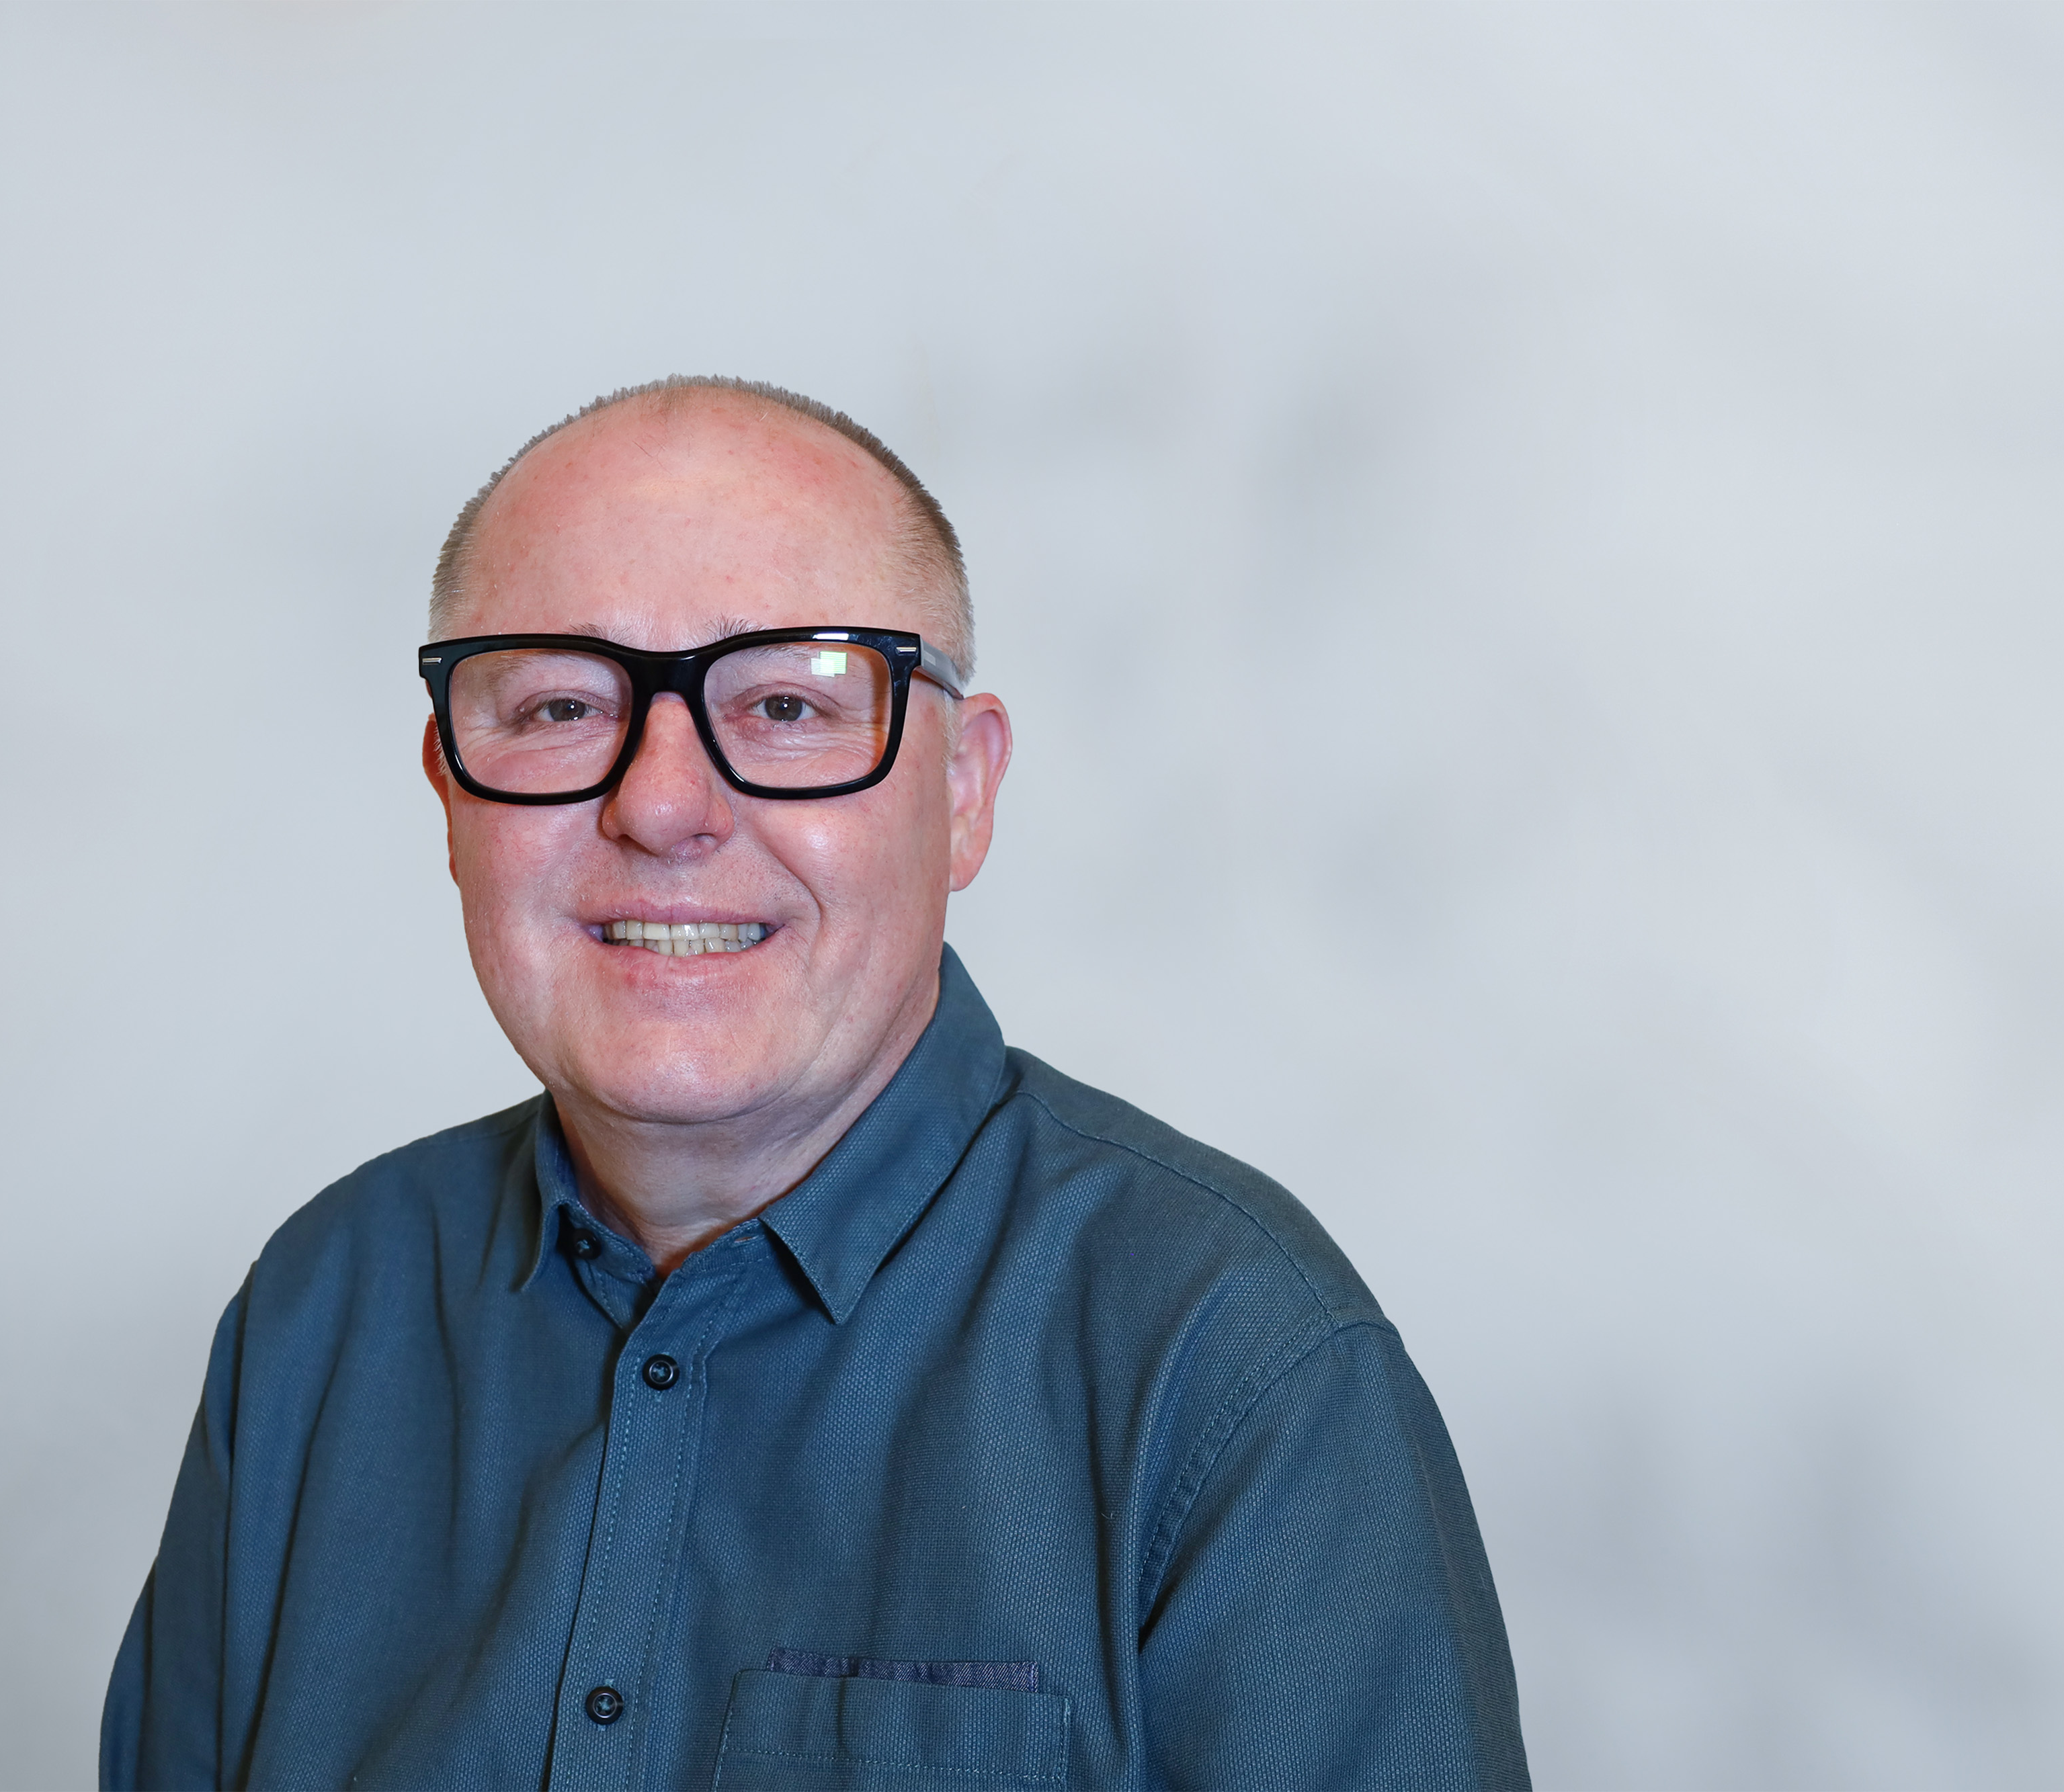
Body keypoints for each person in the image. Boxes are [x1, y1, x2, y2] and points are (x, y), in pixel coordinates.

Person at [101, 377, 1528, 1791]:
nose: (661, 805)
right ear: (450, 791)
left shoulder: (1234, 1370)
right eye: (560, 706)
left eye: (785, 702)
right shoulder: (319, 1318)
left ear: (963, 789)